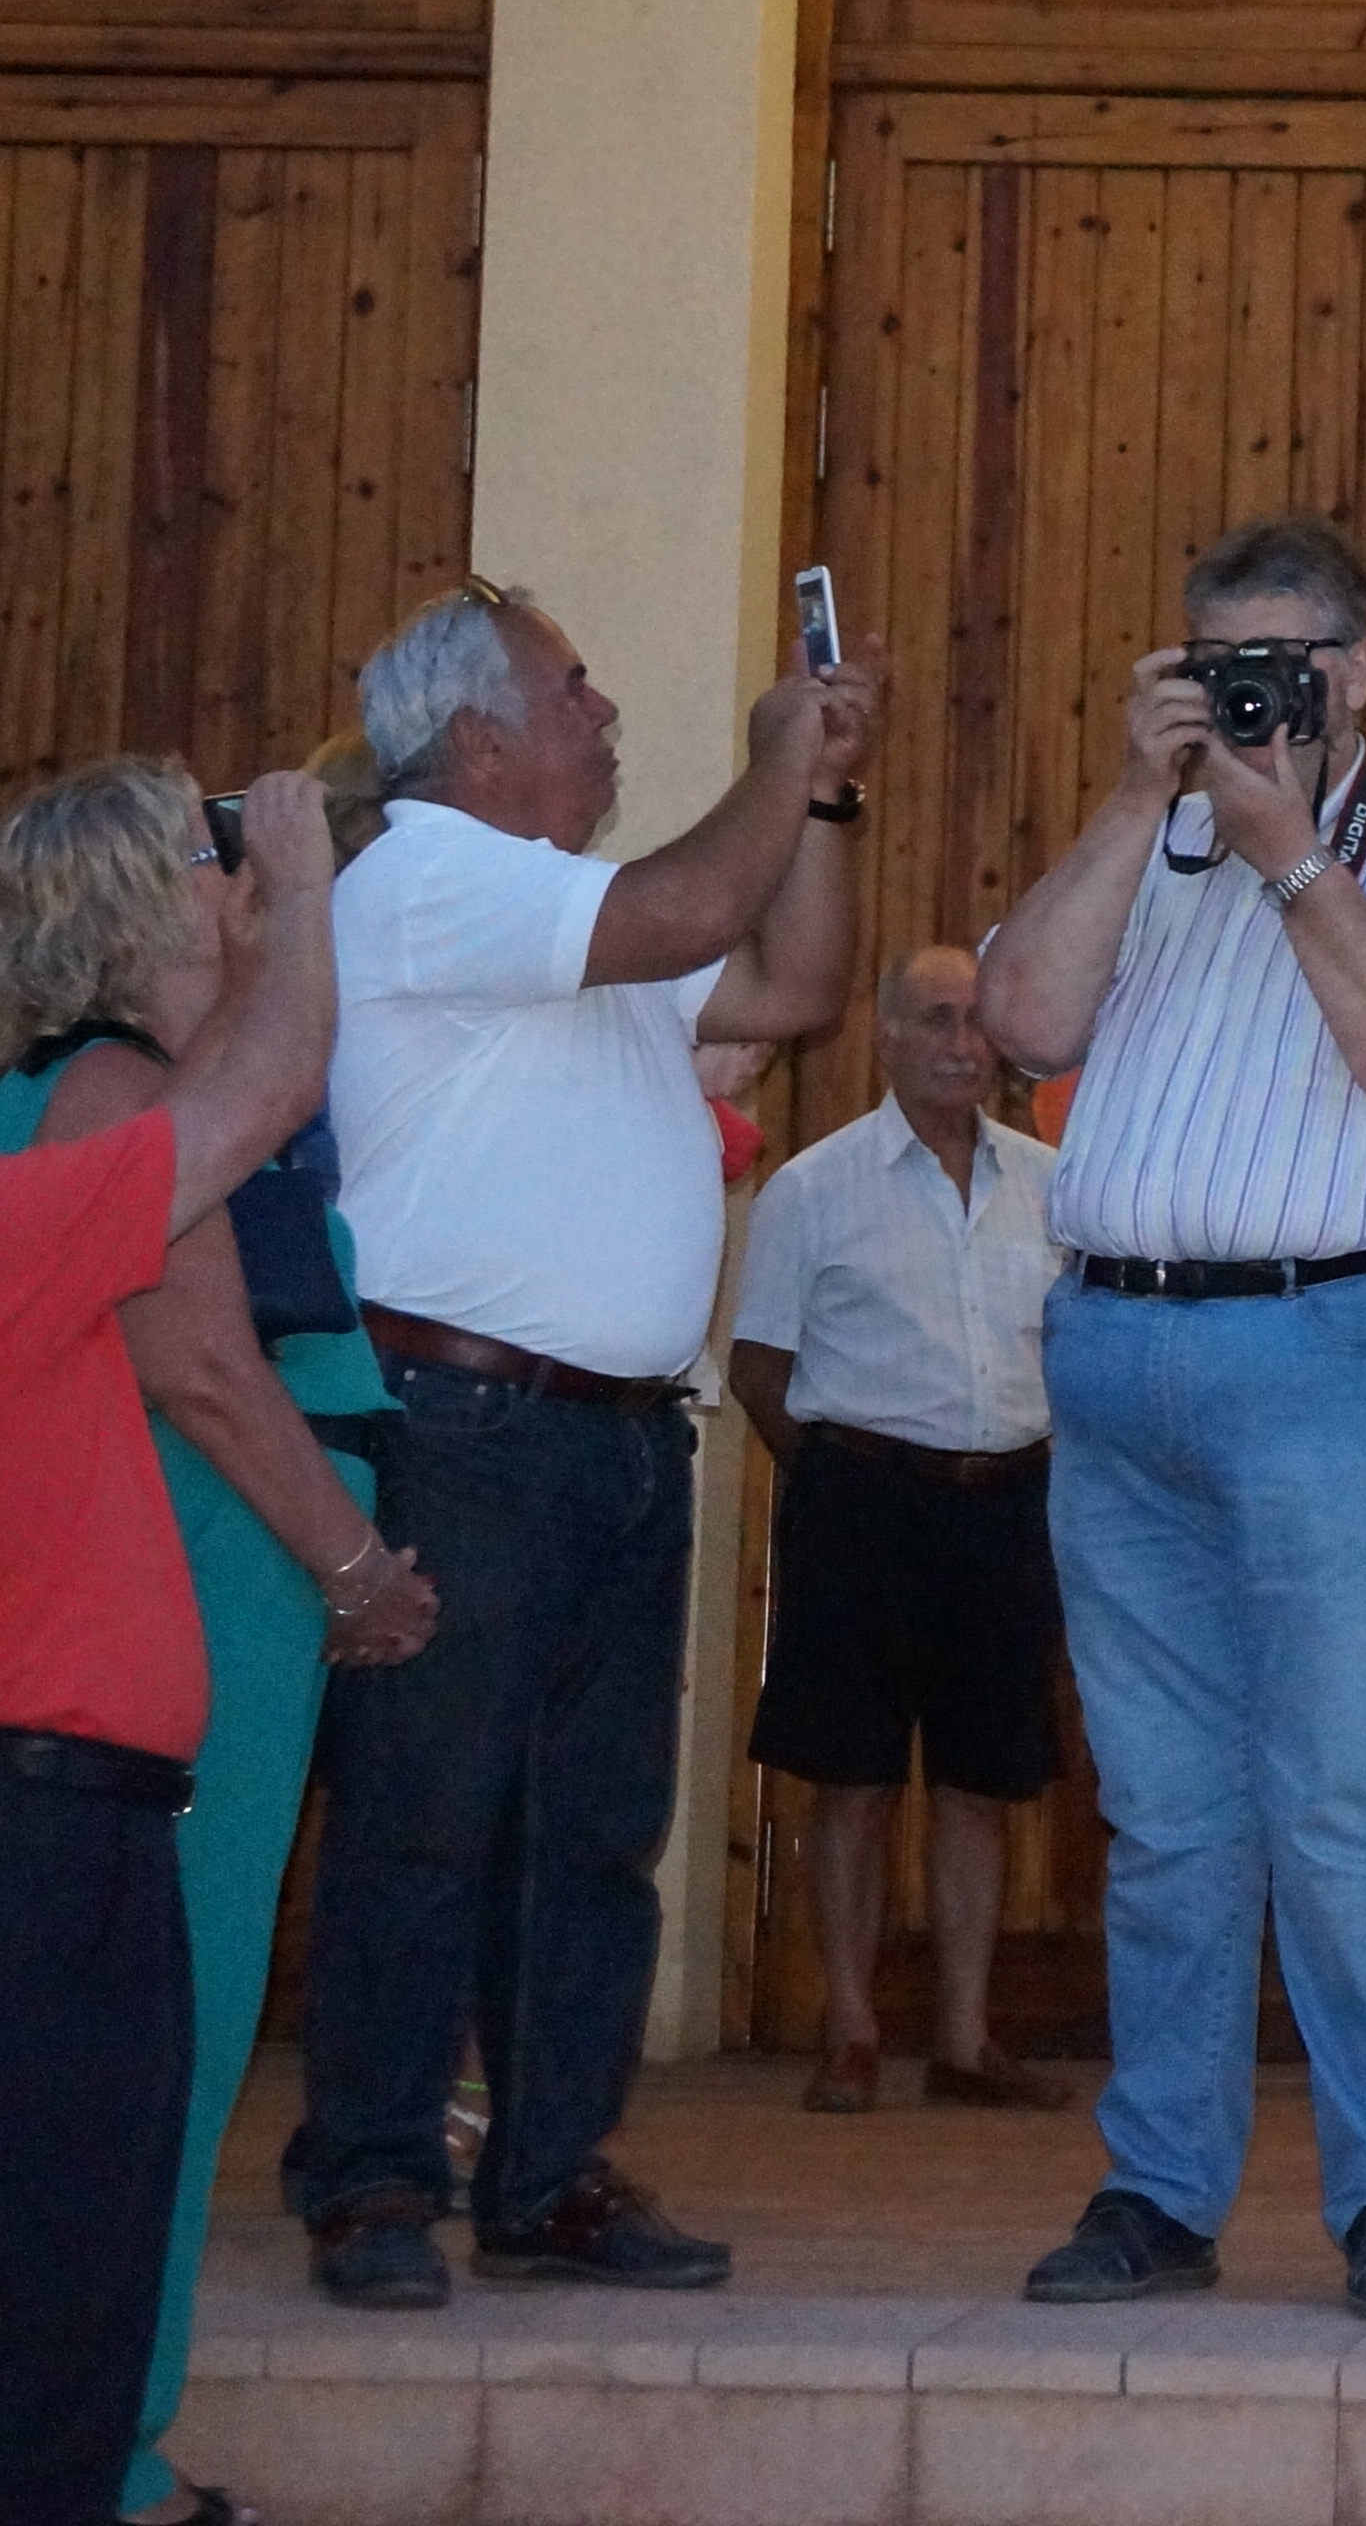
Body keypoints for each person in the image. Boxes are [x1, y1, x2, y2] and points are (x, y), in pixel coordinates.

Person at [286, 582, 875, 2311]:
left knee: (590, 1833)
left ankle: (546, 2169)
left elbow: (793, 976)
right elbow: (702, 898)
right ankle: (377, 2172)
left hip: (612, 1436)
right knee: (424, 1814)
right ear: (477, 734)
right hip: (466, 1424)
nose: (605, 711)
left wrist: (826, 789)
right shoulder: (424, 866)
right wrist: (774, 751)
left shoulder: (556, 907)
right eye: (575, 687)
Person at [975, 513, 1366, 2328]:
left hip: (1346, 1355)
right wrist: (1143, 802)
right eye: (1217, 659)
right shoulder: (1150, 830)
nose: (1249, 692)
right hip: (1122, 1360)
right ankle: (1159, 2184)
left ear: (1356, 671)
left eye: (1283, 660)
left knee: (1351, 1797)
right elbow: (1022, 1013)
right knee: (1166, 1813)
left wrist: (1292, 854)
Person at [1, 766, 434, 2526]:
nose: (242, 856)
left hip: (194, 1581)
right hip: (188, 1583)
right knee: (137, 2055)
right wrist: (345, 1561)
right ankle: (102, 2449)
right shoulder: (111, 1084)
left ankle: (107, 2434)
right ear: (140, 896)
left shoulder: (132, 1080)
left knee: (144, 2044)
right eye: (210, 840)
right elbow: (194, 1356)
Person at [728, 945, 1078, 2120]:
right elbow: (760, 1365)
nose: (961, 1044)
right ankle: (852, 2029)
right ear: (882, 1036)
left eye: (979, 1023)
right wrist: (838, 1477)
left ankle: (966, 2037)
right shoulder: (814, 1189)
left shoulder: (1053, 1187)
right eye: (936, 1019)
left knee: (985, 1780)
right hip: (863, 1504)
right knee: (855, 1776)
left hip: (1011, 1507)